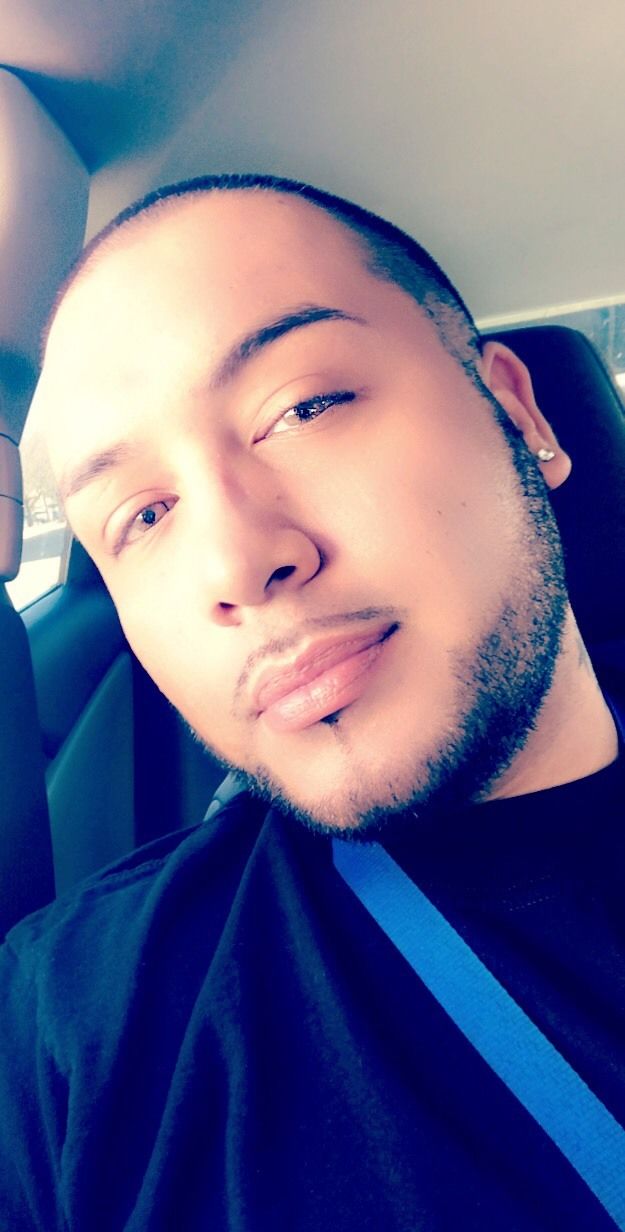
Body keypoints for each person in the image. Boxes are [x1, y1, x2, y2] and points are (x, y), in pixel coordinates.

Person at [1, 173, 624, 1231]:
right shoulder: (71, 1023)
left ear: (516, 411)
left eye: (303, 408)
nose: (236, 564)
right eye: (142, 515)